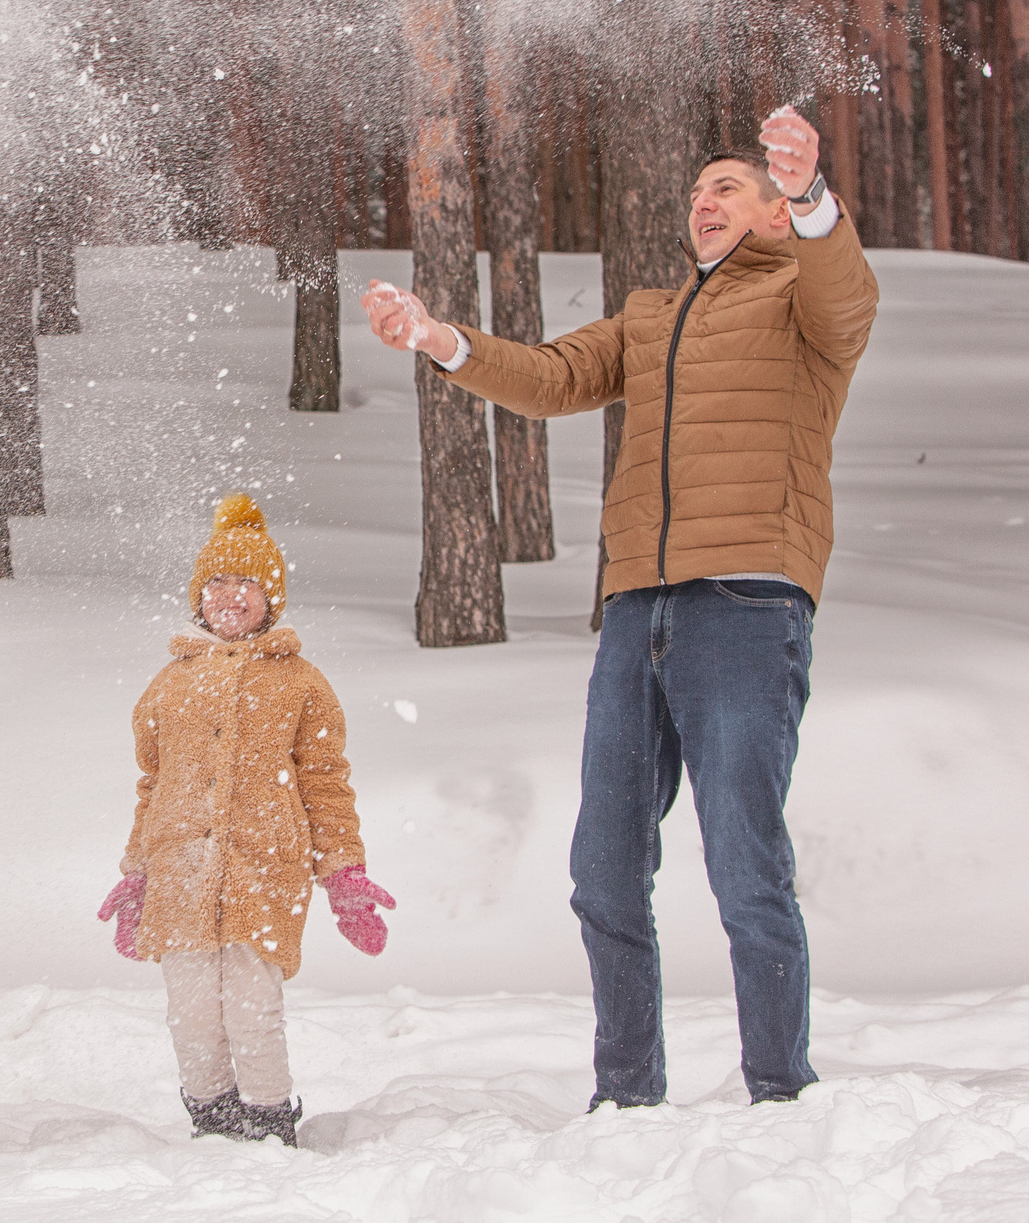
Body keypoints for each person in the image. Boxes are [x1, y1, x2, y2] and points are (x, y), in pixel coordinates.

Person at [359, 105, 877, 1108]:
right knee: (602, 872)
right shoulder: (651, 315)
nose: (703, 204)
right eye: (695, 196)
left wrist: (813, 194)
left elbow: (845, 292)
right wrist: (440, 339)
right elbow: (553, 378)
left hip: (747, 602)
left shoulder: (808, 309)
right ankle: (625, 1095)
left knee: (742, 863)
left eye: (726, 187)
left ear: (775, 212)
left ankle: (781, 1091)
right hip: (638, 611)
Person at [97, 495, 394, 1146]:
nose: (232, 596)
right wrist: (139, 870)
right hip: (180, 875)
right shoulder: (169, 683)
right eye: (217, 583)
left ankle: (266, 1121)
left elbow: (325, 783)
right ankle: (212, 1118)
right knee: (193, 1012)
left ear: (273, 599)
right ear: (197, 597)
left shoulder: (300, 682)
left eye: (249, 584)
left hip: (263, 871)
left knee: (253, 1007)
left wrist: (342, 871)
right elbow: (154, 785)